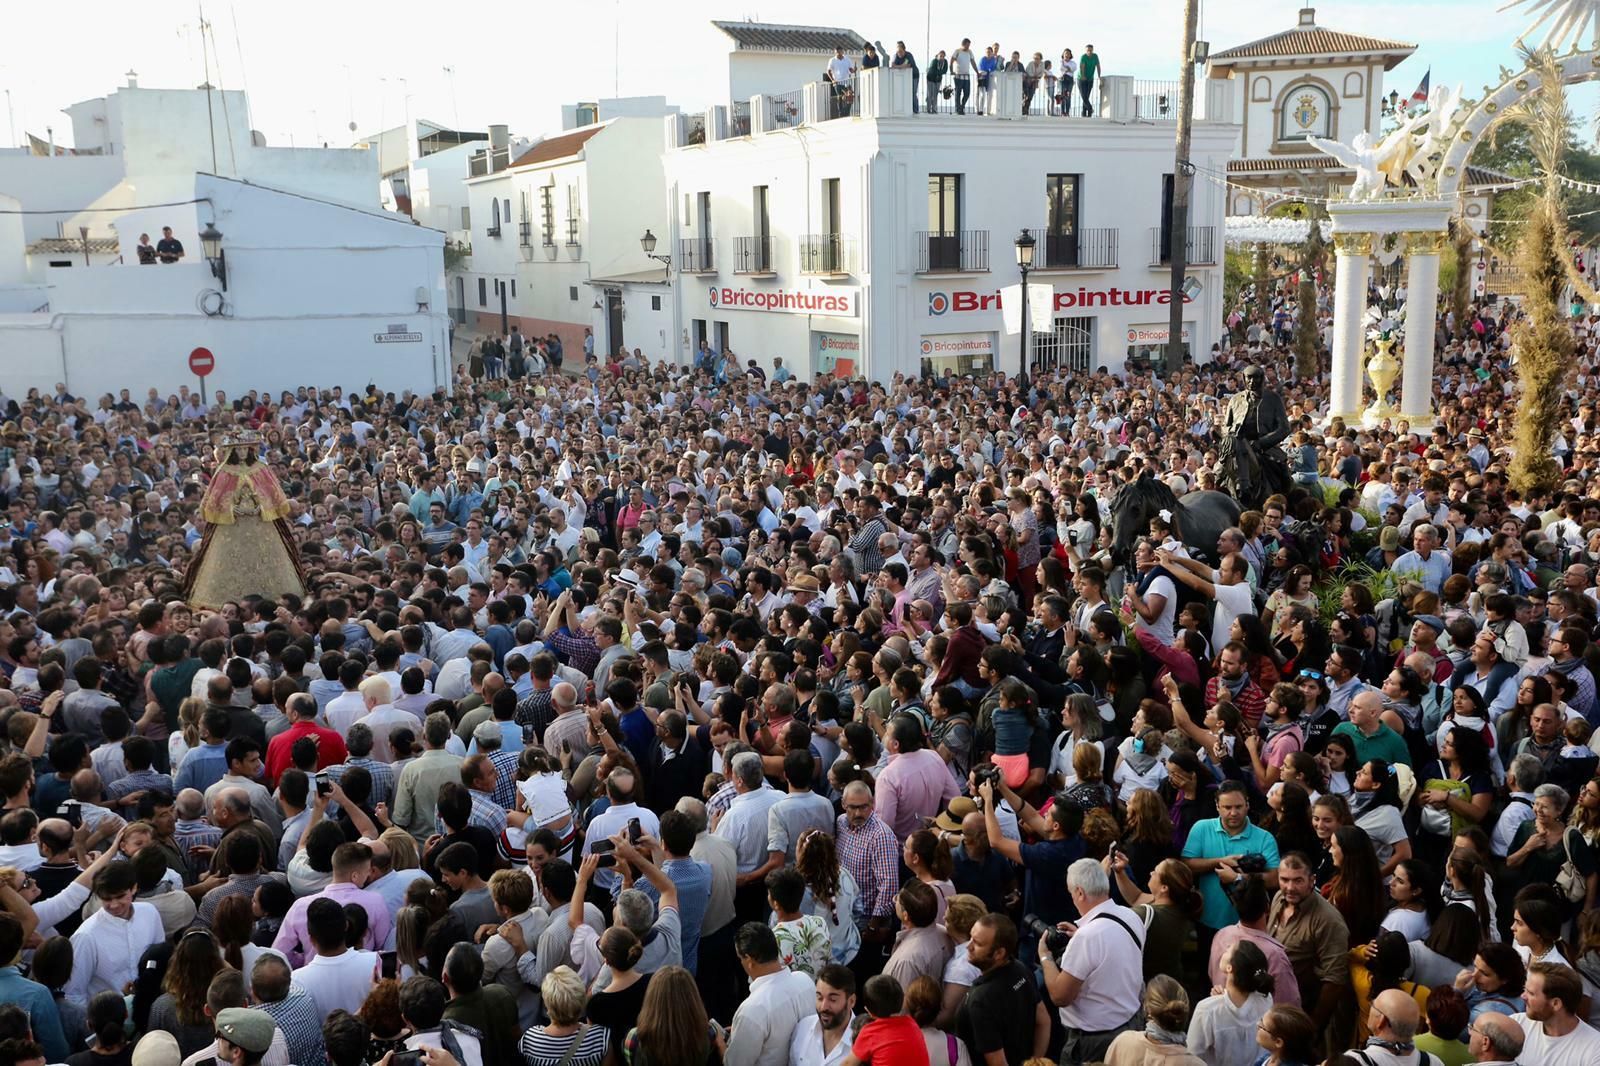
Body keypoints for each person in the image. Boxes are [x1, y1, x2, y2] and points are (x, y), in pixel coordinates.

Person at [1041, 858, 1146, 1064]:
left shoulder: (1087, 938)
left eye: (1071, 893)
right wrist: (1081, 935)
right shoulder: (1130, 916)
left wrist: (1045, 957)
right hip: (1132, 1026)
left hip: (1094, 1042)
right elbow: (1112, 955)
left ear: (1080, 893)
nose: (1072, 898)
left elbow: (1060, 996)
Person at [954, 913, 1047, 1066]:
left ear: (999, 953)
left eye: (977, 943)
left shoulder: (980, 1000)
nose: (968, 946)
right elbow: (1044, 1021)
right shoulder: (1021, 969)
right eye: (970, 938)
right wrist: (1035, 1062)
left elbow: (998, 1063)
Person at [725, 922, 817, 1066]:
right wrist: (742, 1029)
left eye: (740, 958)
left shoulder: (751, 1010)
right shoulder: (805, 981)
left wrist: (719, 1042)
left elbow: (734, 1063)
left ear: (749, 960)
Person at [1187, 940, 1274, 1066]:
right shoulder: (1266, 1000)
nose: (1225, 951)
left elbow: (1192, 1056)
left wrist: (1217, 1001)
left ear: (1230, 967)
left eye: (1228, 950)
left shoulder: (1207, 1009)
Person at [789, 963, 858, 1066]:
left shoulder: (865, 1042)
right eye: (819, 998)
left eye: (833, 999)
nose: (823, 1007)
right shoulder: (803, 1028)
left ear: (851, 1001)